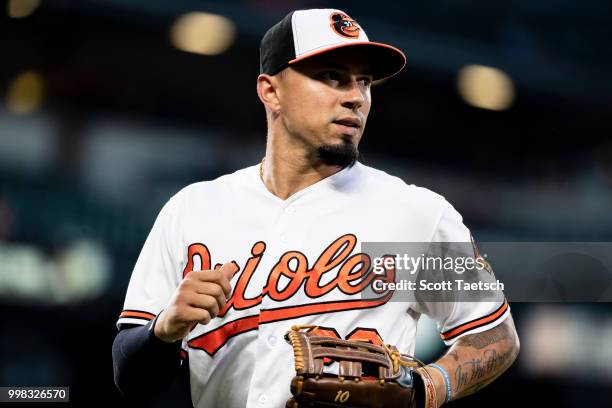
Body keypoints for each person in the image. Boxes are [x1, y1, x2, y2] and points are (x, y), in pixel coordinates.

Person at [112, 8, 519, 407]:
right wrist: (163, 328)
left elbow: (496, 336)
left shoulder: (413, 214)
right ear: (270, 90)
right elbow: (131, 378)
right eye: (332, 77)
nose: (356, 98)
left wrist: (425, 387)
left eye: (364, 82)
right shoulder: (193, 210)